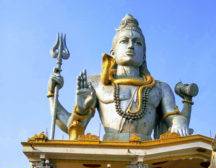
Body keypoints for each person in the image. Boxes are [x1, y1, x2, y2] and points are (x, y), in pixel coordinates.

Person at [47, 15, 193, 142]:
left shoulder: (160, 88)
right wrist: (56, 97)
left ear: (144, 55)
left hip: (149, 155)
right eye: (124, 41)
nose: (131, 46)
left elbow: (173, 118)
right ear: (113, 52)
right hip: (110, 154)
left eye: (137, 43)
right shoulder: (97, 84)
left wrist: (179, 122)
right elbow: (71, 127)